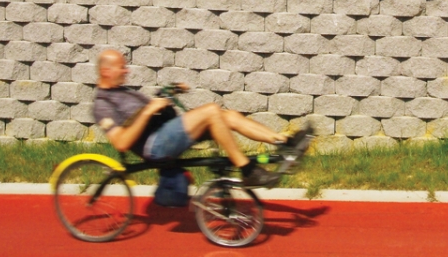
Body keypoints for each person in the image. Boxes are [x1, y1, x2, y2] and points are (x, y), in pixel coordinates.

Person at [91, 48, 307, 187]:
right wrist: (148, 111)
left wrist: (169, 92)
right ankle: (248, 170)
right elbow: (121, 142)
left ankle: (285, 143)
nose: (127, 71)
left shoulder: (123, 91)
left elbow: (145, 111)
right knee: (211, 111)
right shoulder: (102, 105)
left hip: (165, 132)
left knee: (227, 116)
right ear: (107, 72)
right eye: (122, 67)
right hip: (154, 145)